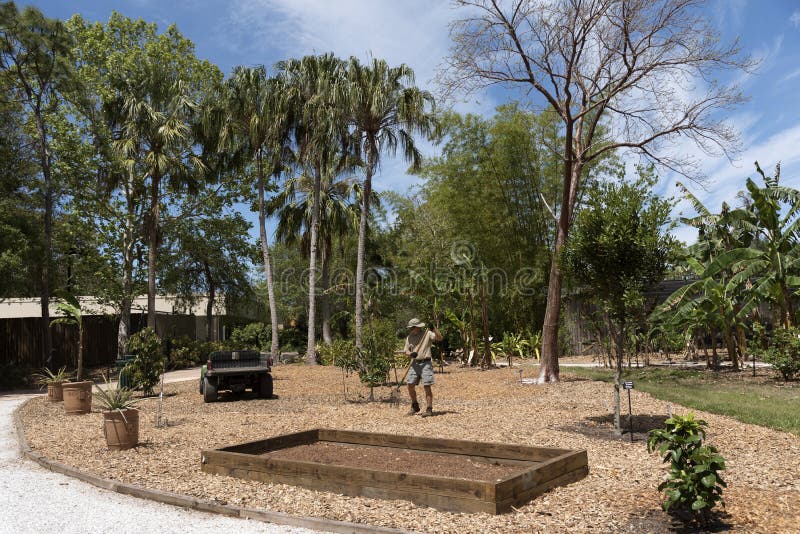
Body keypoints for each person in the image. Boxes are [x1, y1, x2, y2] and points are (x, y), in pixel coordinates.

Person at [403, 317, 442, 417]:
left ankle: (429, 409)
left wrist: (433, 329)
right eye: (410, 328)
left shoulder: (427, 334)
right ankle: (415, 405)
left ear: (418, 327)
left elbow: (439, 338)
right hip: (414, 363)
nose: (411, 329)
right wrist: (411, 354)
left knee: (427, 385)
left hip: (426, 363)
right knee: (410, 385)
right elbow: (406, 351)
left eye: (412, 327)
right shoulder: (409, 337)